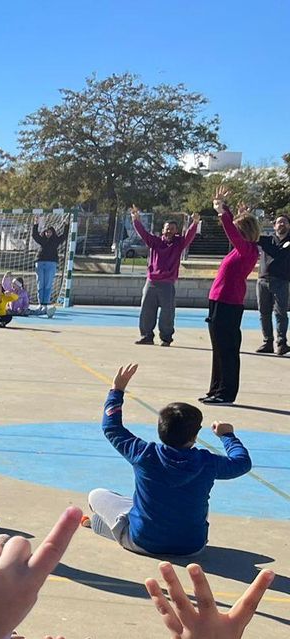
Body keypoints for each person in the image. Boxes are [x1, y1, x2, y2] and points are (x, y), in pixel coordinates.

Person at [88, 363, 251, 556]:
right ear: (195, 434)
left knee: (96, 495)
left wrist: (117, 391)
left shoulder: (144, 453)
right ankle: (127, 524)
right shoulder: (207, 462)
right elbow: (242, 462)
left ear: (160, 430)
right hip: (192, 548)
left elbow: (111, 427)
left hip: (144, 542)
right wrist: (227, 436)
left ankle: (117, 529)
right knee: (192, 503)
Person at [201, 191, 261, 405]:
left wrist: (221, 212)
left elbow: (232, 233)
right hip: (218, 301)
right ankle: (216, 388)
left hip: (229, 303)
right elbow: (234, 231)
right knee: (218, 348)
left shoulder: (248, 250)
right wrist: (226, 208)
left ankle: (226, 393)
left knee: (227, 349)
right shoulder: (241, 250)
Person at [130, 206, 200, 346]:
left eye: (172, 229)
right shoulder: (155, 241)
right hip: (151, 282)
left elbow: (189, 236)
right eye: (167, 228)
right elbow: (143, 233)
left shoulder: (179, 243)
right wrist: (136, 220)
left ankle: (166, 338)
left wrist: (195, 223)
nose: (169, 231)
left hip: (167, 283)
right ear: (163, 230)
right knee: (146, 311)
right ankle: (147, 336)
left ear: (176, 231)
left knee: (167, 313)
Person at [255, 213, 289, 356]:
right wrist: (243, 215)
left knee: (281, 313)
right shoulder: (267, 240)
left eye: (285, 222)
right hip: (263, 281)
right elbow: (250, 233)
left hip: (281, 282)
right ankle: (267, 342)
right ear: (274, 225)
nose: (282, 224)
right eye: (279, 222)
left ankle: (281, 343)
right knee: (264, 312)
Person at [30, 216, 67, 307]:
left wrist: (66, 224)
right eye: (46, 232)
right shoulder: (42, 240)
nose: (48, 233)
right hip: (40, 262)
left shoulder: (56, 240)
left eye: (49, 232)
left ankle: (45, 303)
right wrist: (36, 224)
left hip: (51, 263)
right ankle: (40, 303)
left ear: (53, 232)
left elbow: (64, 236)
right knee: (40, 283)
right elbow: (35, 235)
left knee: (48, 284)